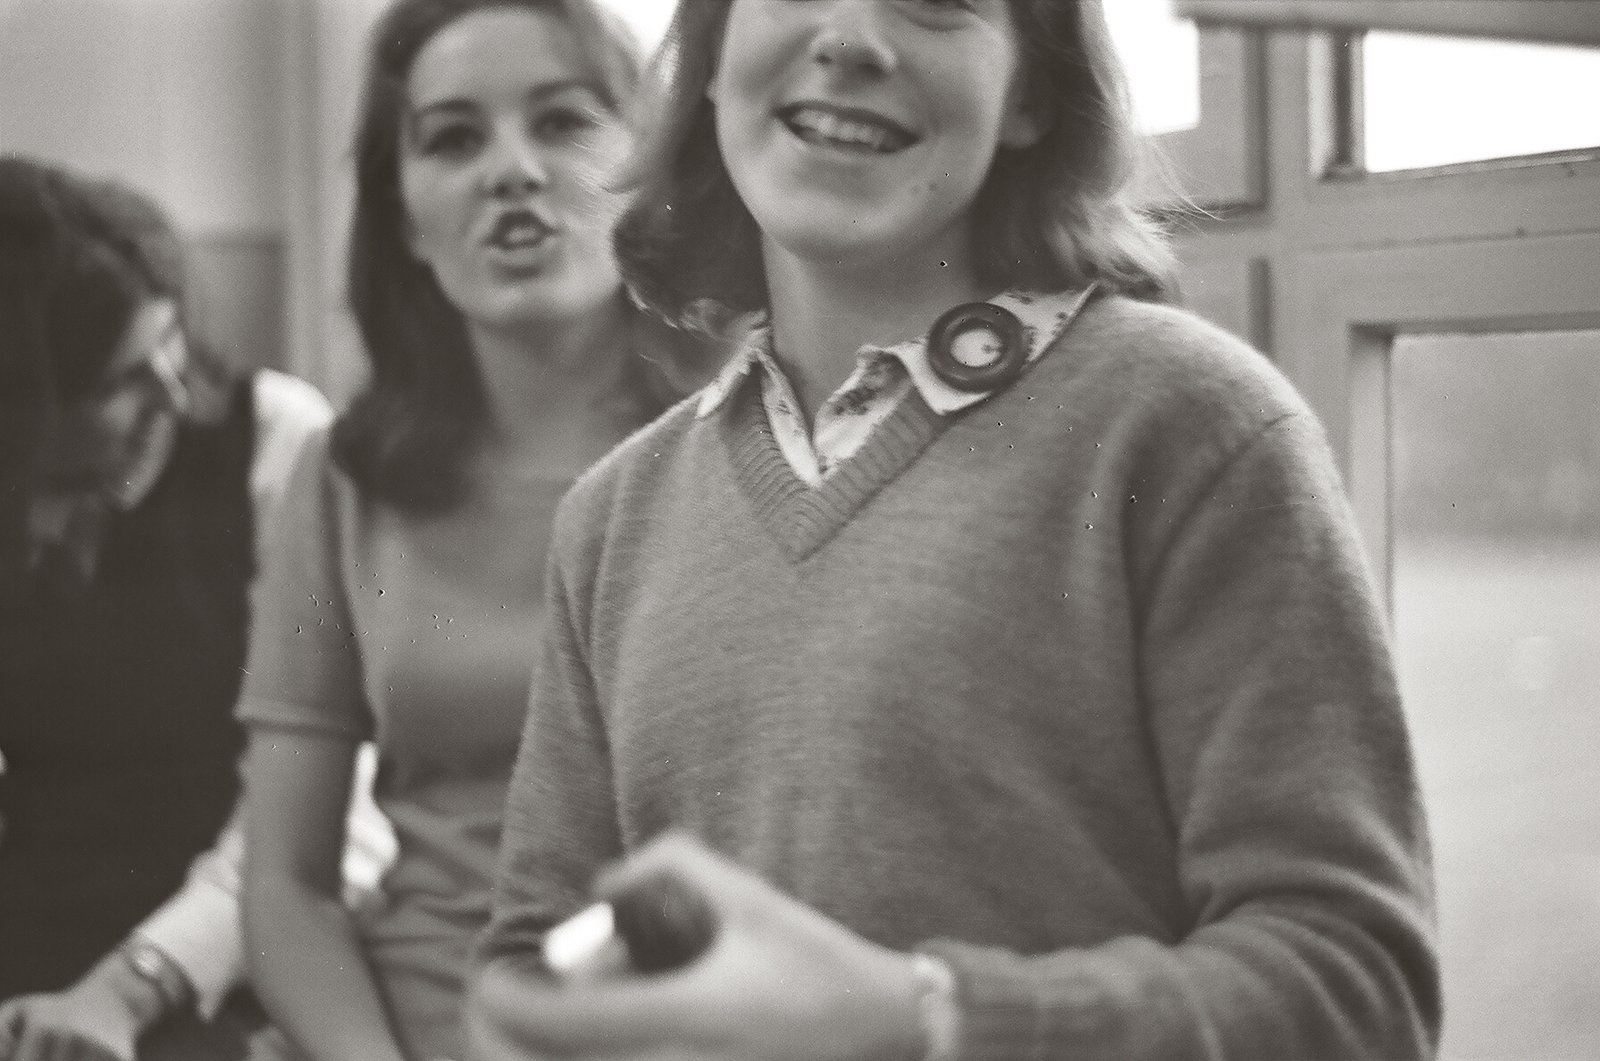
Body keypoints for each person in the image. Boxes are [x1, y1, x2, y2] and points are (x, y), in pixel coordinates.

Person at [467, 1, 1441, 1059]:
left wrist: (916, 1013)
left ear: (1031, 94)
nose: (849, 37)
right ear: (710, 54)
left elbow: (1357, 987)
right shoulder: (611, 517)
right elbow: (531, 961)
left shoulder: (1193, 430)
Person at [232, 1, 705, 1058]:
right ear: (404, 215)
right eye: (452, 139)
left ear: (649, 167)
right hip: (414, 1025)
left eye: (563, 122)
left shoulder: (750, 444)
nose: (511, 172)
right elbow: (286, 881)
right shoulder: (342, 476)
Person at [0, 156, 394, 1060]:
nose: (174, 390)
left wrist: (128, 987)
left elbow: (342, 810)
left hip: (229, 954)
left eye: (172, 338)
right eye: (122, 378)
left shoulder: (280, 441)